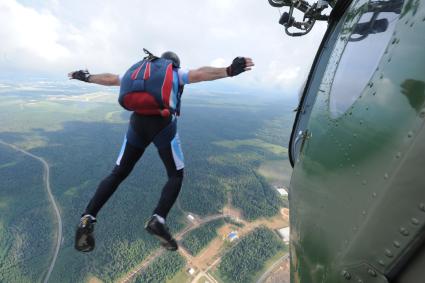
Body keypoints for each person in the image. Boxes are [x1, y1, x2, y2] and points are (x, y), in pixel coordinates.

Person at [69, 50, 254, 252]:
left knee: (118, 172)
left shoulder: (139, 72)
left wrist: (86, 77)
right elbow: (201, 74)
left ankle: (88, 217)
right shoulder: (175, 72)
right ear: (174, 64)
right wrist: (228, 70)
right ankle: (158, 219)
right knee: (175, 175)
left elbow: (110, 79)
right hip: (163, 125)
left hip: (137, 124)